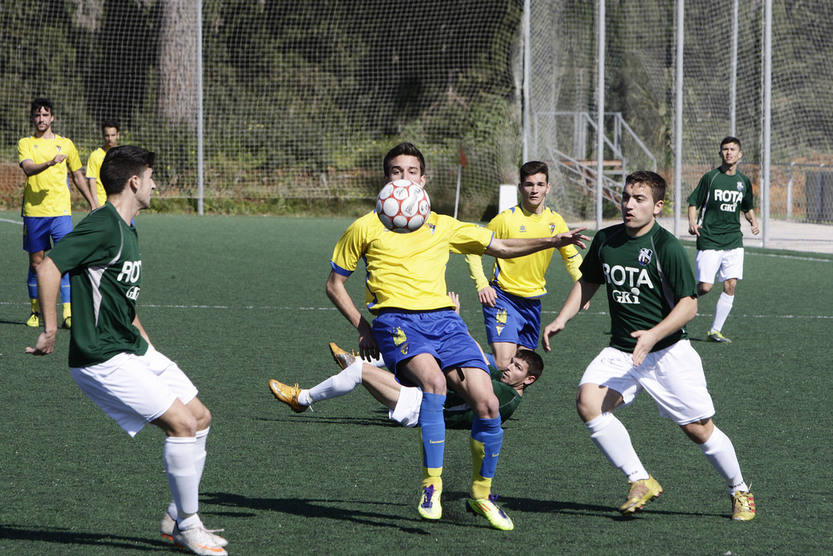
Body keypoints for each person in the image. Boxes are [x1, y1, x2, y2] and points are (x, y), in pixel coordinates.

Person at [325, 141, 588, 530]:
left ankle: (482, 496)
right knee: (433, 383)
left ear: (423, 179)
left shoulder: (442, 223)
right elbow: (334, 284)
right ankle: (432, 484)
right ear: (386, 179)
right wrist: (363, 327)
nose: (404, 179)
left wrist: (552, 241)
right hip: (396, 320)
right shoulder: (364, 226)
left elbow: (499, 245)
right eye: (396, 172)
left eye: (411, 172)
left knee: (488, 404)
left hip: (446, 322)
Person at [25, 146, 228, 555]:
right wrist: (50, 329)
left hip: (131, 348)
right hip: (101, 356)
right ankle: (189, 527)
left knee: (201, 417)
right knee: (182, 425)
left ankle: (175, 517)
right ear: (134, 182)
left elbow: (120, 300)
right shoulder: (103, 225)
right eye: (152, 176)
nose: (156, 184)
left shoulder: (128, 227)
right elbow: (49, 266)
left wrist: (149, 347)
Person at [542, 170, 756, 521]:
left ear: (657, 207)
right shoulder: (607, 240)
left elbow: (689, 306)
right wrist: (562, 318)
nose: (629, 204)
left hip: (667, 352)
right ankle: (640, 479)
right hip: (621, 351)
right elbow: (589, 281)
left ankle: (740, 490)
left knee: (698, 429)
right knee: (588, 402)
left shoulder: (666, 246)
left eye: (639, 199)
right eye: (626, 197)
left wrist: (654, 334)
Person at [466, 160, 583, 371]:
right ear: (520, 187)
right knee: (504, 362)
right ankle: (454, 359)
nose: (534, 190)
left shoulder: (556, 222)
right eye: (529, 184)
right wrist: (482, 284)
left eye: (539, 184)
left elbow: (572, 257)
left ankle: (483, 398)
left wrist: (582, 286)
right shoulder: (505, 220)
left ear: (548, 187)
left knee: (522, 366)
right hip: (503, 297)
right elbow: (474, 249)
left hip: (532, 302)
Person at [269, 342, 543, 429]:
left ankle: (301, 399)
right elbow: (480, 361)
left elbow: (460, 381)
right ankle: (363, 363)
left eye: (517, 368)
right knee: (418, 353)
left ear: (529, 380)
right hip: (426, 397)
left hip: (422, 410)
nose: (508, 368)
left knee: (359, 372)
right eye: (512, 362)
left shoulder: (506, 396)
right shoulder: (504, 380)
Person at [18, 98, 98, 329]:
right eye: (37, 115)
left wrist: (92, 202)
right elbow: (29, 169)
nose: (41, 119)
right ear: (33, 118)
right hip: (34, 213)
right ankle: (35, 311)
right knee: (37, 264)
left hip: (61, 213)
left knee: (65, 262)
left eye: (45, 115)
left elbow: (78, 174)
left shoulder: (66, 144)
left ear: (52, 117)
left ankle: (68, 312)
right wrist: (51, 162)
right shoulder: (26, 143)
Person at [687, 136, 760, 343]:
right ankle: (675, 304)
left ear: (740, 154)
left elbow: (747, 206)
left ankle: (715, 330)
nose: (729, 152)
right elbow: (693, 202)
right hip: (709, 239)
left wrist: (753, 222)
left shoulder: (743, 182)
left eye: (732, 149)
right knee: (705, 287)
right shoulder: (711, 178)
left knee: (730, 284)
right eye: (725, 149)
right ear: (720, 154)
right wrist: (692, 222)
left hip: (733, 241)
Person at [86, 119, 121, 207]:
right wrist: (95, 203)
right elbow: (92, 180)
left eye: (113, 135)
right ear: (103, 136)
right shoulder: (95, 155)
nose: (110, 139)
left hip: (121, 203)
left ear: (118, 135)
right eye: (107, 136)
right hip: (102, 203)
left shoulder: (122, 155)